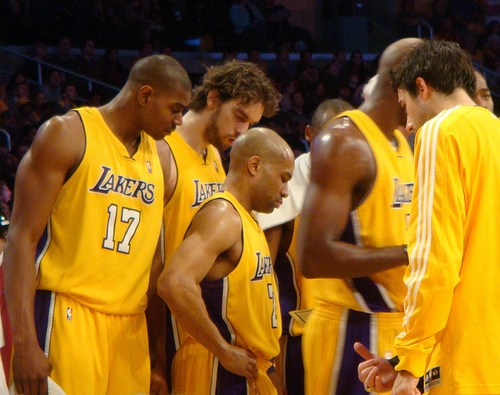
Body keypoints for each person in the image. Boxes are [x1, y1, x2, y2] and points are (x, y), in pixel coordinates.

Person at [3, 54, 192, 395]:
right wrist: (25, 341)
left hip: (129, 328)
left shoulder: (163, 158)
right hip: (68, 315)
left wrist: (156, 357)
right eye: (175, 108)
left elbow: (154, 262)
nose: (179, 121)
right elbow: (21, 239)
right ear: (145, 95)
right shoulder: (67, 134)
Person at [360, 39, 500, 395]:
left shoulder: (440, 131)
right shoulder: (495, 132)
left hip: (465, 360)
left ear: (422, 87)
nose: (407, 125)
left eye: (405, 106)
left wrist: (408, 363)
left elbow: (435, 261)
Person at [296, 37, 420, 395]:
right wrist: (410, 253)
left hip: (395, 327)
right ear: (408, 84)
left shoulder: (401, 142)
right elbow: (313, 257)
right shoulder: (345, 141)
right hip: (352, 331)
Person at [151, 59, 281, 391]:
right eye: (240, 116)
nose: (242, 132)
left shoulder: (214, 160)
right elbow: (152, 262)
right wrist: (156, 357)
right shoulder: (164, 153)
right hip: (166, 330)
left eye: (251, 123)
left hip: (199, 330)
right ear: (212, 100)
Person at [158, 127, 295, 394]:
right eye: (283, 178)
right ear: (254, 166)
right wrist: (222, 350)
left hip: (245, 366)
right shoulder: (224, 215)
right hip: (217, 367)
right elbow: (173, 283)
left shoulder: (246, 218)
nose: (286, 191)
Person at [256, 98, 353, 395]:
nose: (337, 148)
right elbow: (262, 275)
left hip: (347, 328)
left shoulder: (356, 184)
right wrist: (267, 355)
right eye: (328, 137)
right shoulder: (285, 189)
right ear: (309, 134)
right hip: (297, 334)